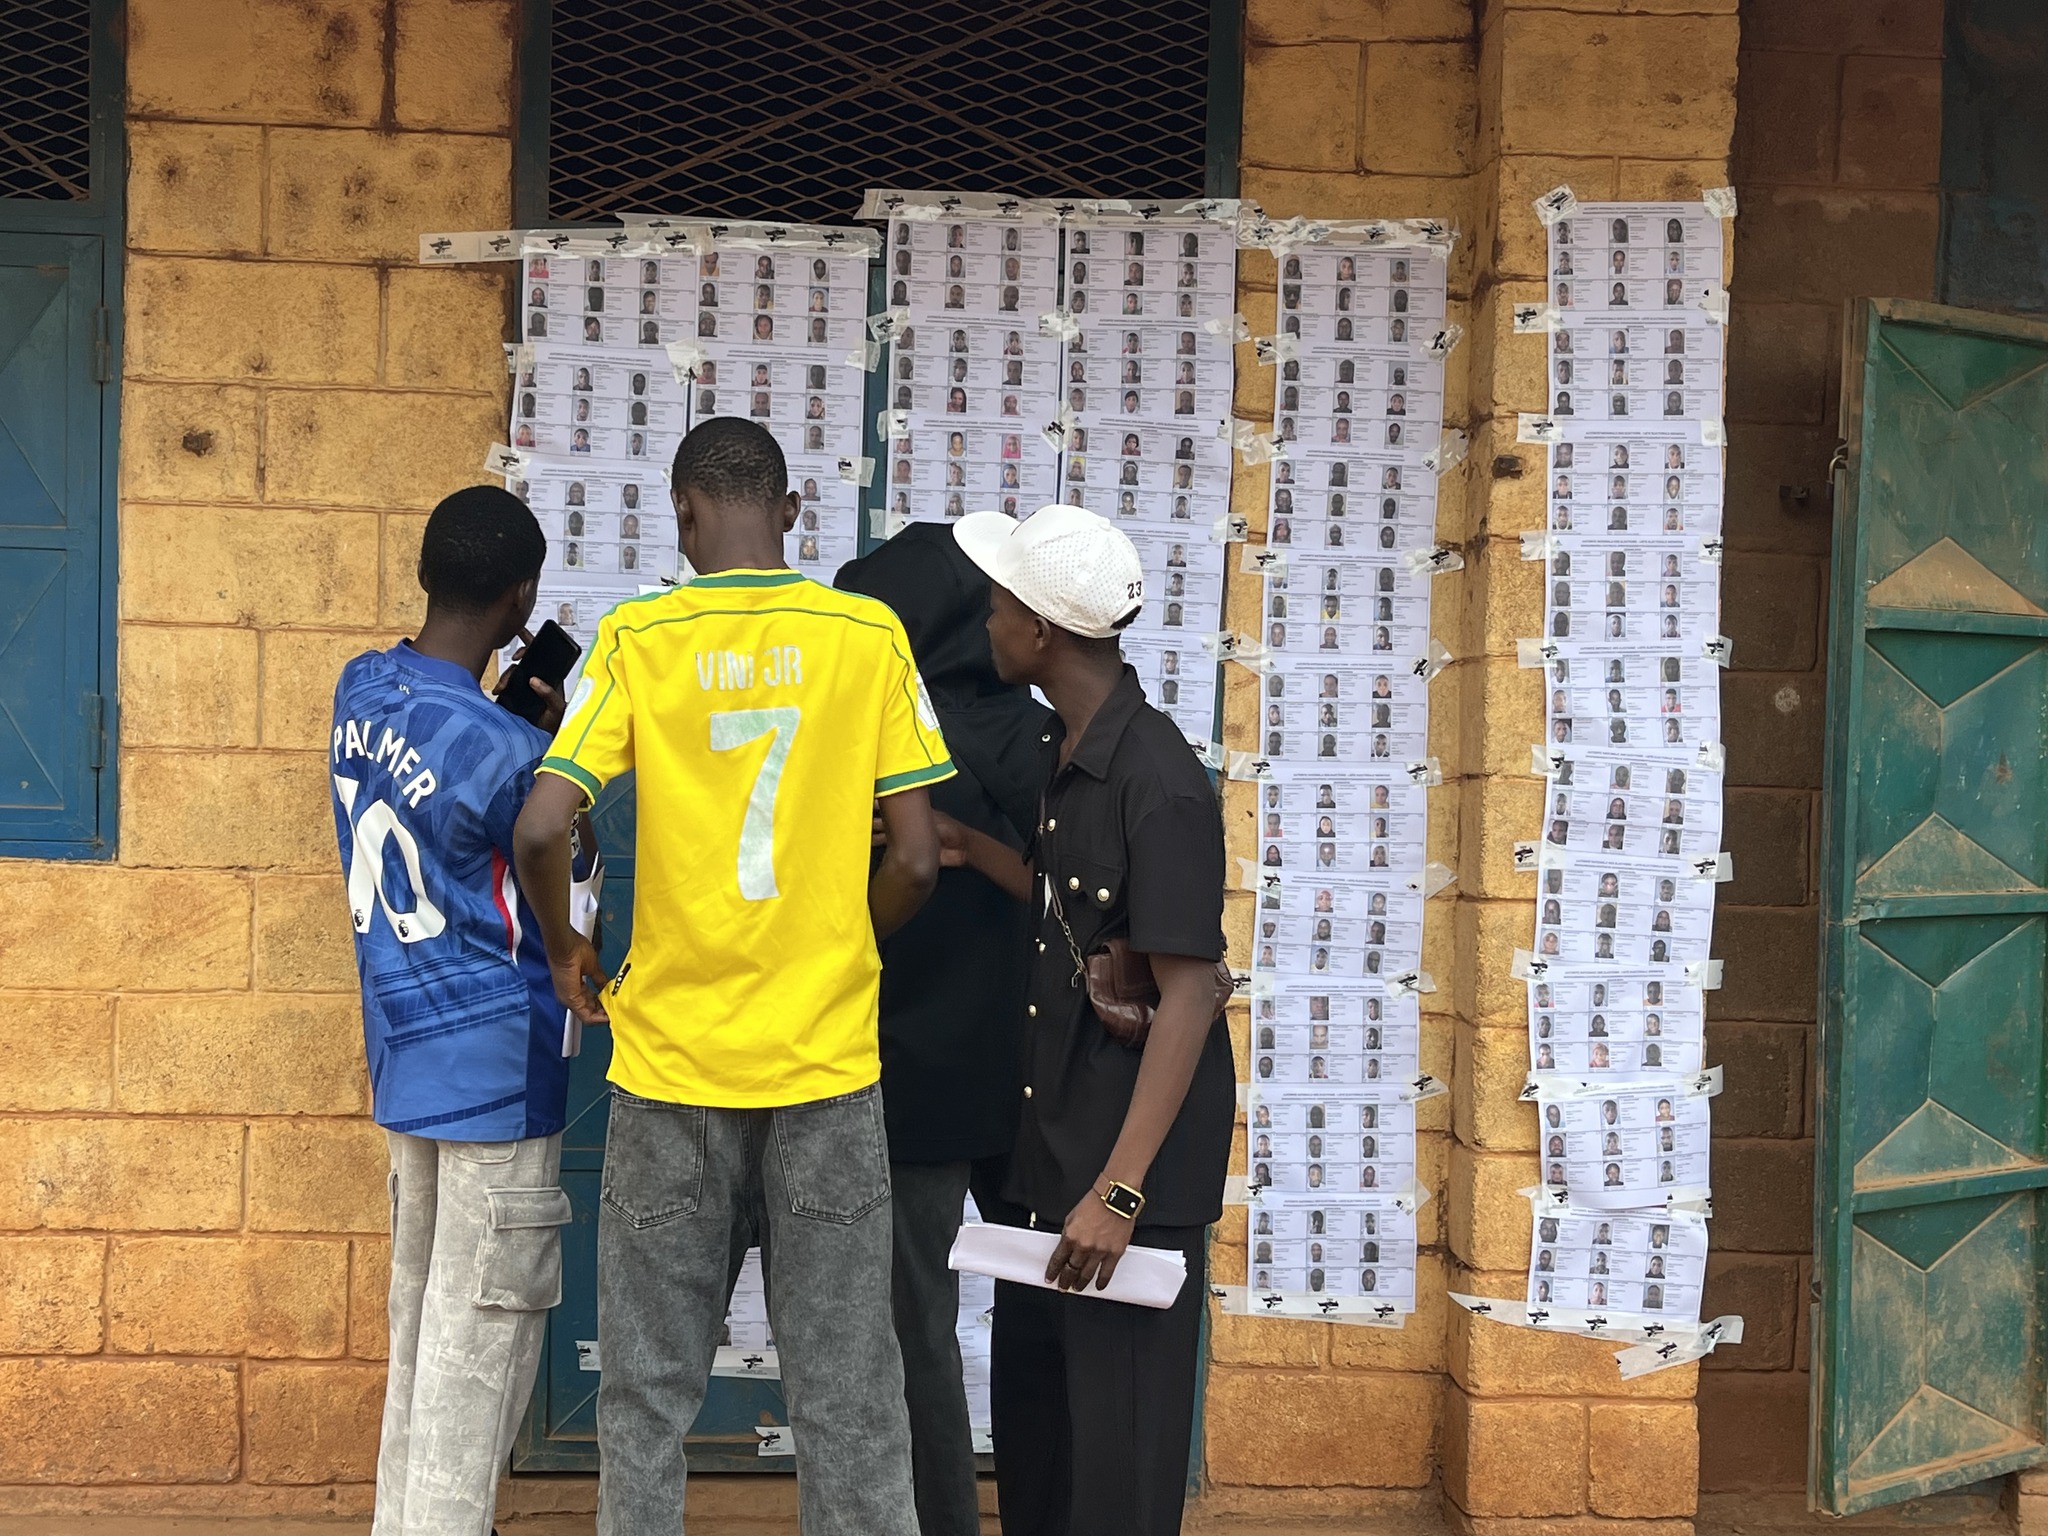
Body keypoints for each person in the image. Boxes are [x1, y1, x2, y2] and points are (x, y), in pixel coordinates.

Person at [514, 418, 954, 1536]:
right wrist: (842, 941)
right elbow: (913, 855)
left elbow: (540, 826)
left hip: (670, 1075)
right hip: (824, 1073)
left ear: (683, 514)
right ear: (792, 512)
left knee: (646, 1395)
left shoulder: (637, 638)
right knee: (850, 1395)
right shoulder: (865, 635)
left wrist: (572, 953)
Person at [943, 503, 1232, 1536]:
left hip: (1122, 1186)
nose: (986, 618)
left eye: (1001, 602)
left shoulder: (1155, 778)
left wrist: (1117, 1193)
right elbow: (1083, 914)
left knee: (1116, 1475)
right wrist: (975, 852)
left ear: (1041, 634)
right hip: (1049, 1163)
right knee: (1043, 1458)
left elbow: (1190, 990)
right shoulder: (1068, 752)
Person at [330, 486, 595, 1536]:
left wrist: (502, 714)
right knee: (474, 1364)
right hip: (496, 1071)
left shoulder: (361, 686)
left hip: (406, 1067)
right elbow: (551, 858)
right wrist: (533, 744)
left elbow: (441, 762)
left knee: (420, 1347)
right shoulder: (515, 759)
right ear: (522, 597)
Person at [835, 524, 1050, 1536]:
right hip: (1031, 1078)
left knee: (913, 1324)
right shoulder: (1048, 736)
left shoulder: (876, 734)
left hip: (913, 1076)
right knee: (1042, 1323)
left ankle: (943, 1524)